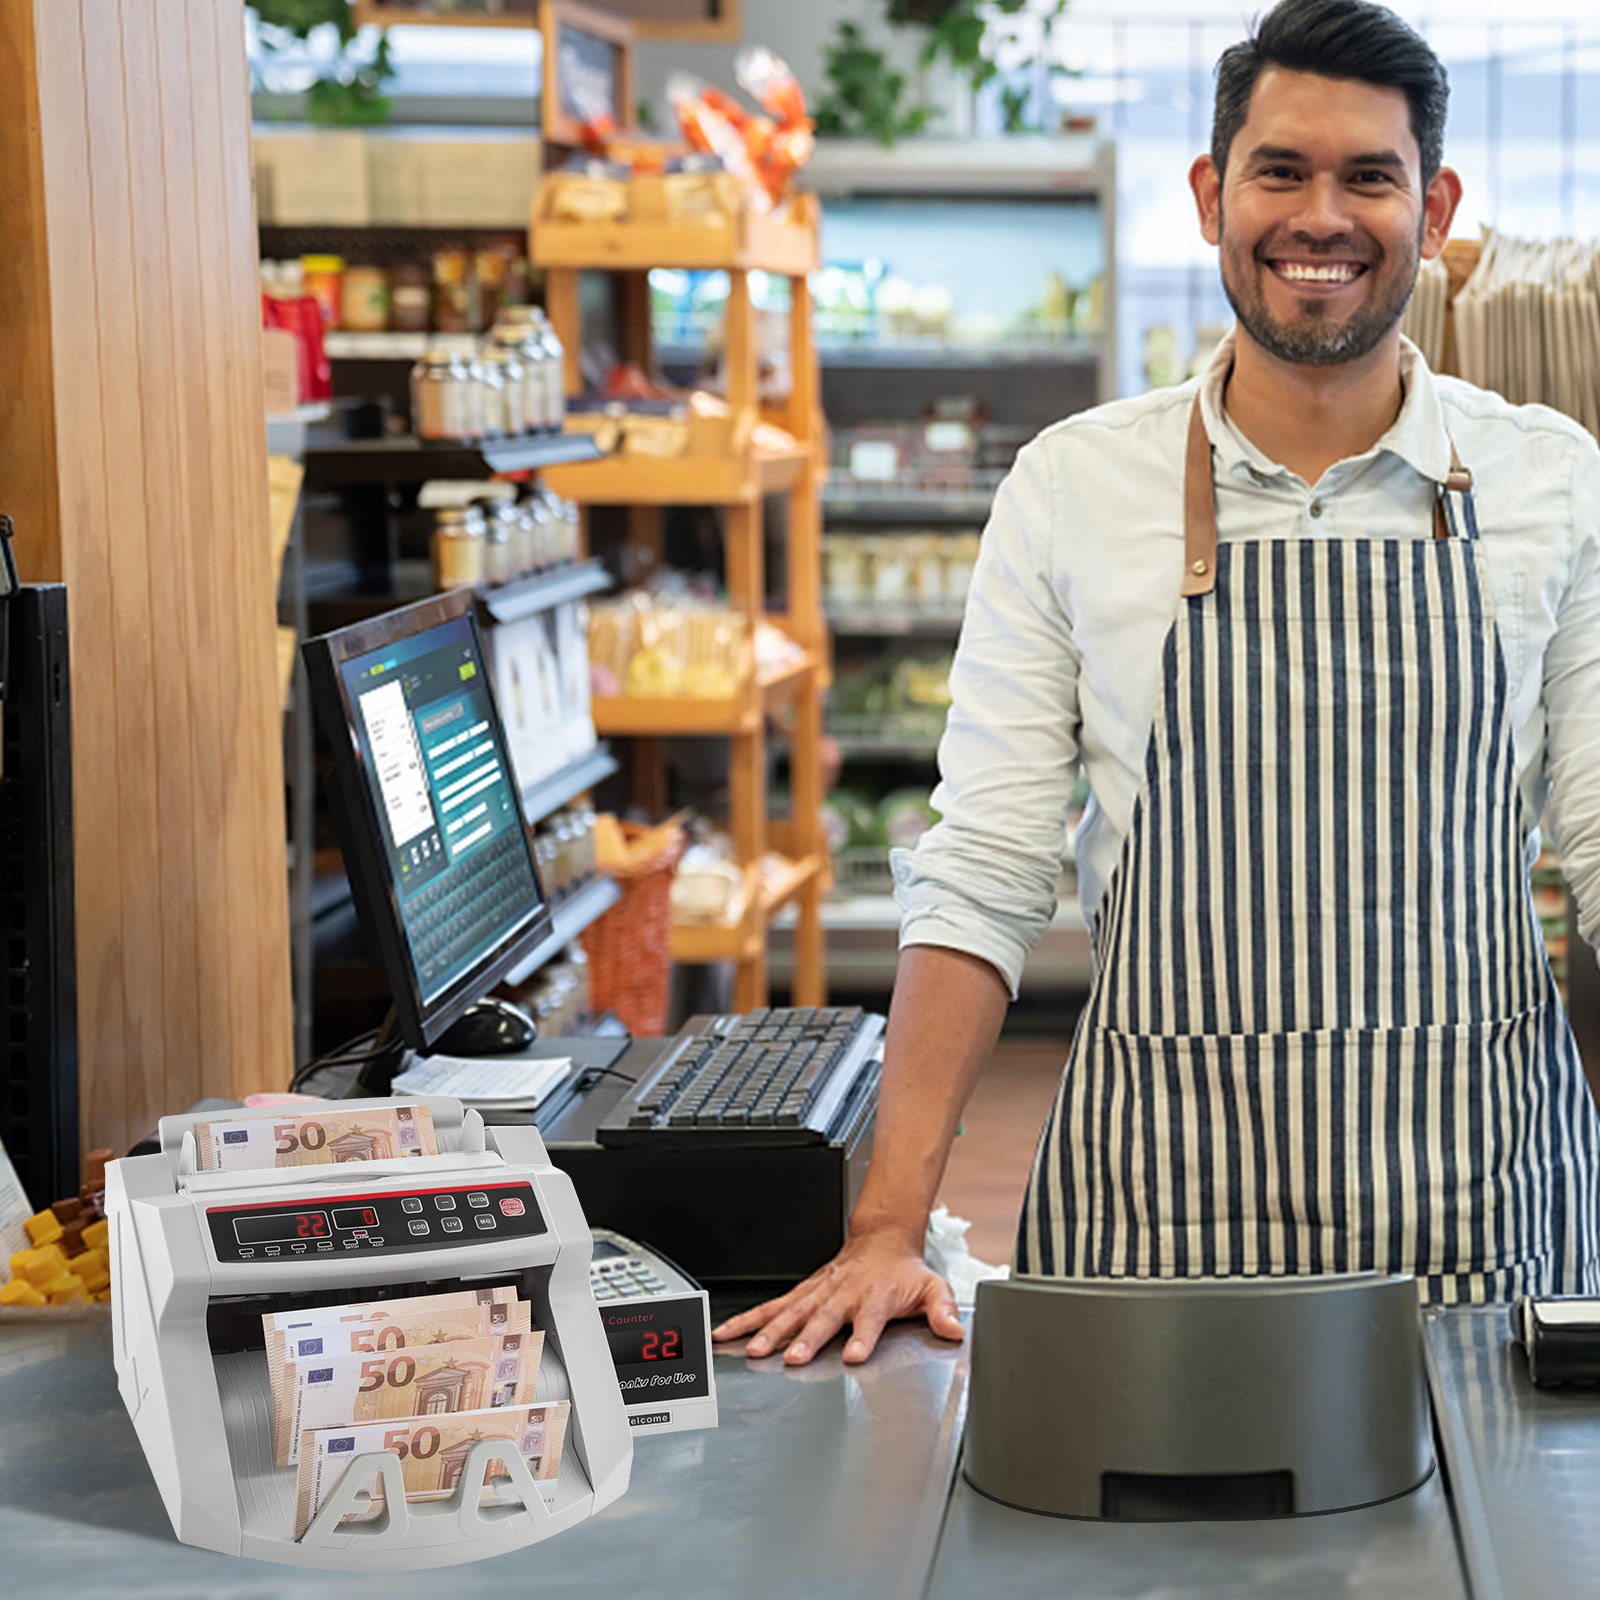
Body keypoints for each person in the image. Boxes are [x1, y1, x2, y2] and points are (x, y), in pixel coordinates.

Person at [713, 0, 1600, 1367]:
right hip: (1163, 1206)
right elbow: (988, 869)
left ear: (1433, 207)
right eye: (1281, 171)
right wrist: (889, 1226)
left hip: (1477, 1213)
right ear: (1211, 195)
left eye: (1369, 176)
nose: (1324, 216)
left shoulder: (1553, 481)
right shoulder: (1074, 487)